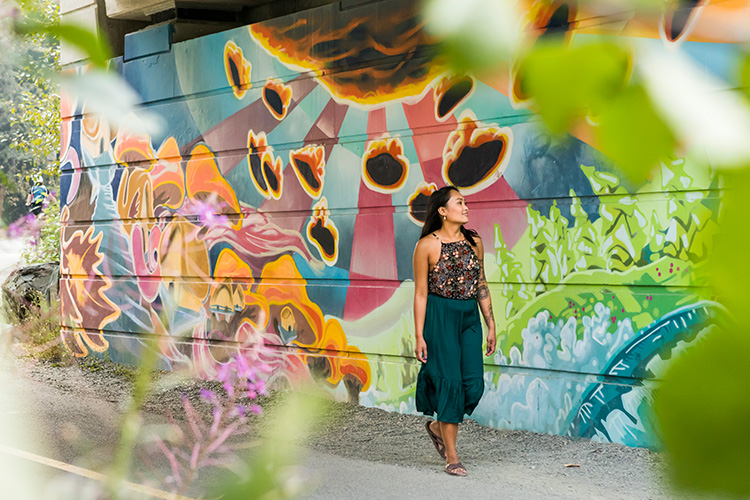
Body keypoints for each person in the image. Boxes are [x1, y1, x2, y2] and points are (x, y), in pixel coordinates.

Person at [412, 185, 497, 477]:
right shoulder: (426, 246)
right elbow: (421, 294)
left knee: (473, 385)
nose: (466, 207)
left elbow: (482, 283)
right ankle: (452, 456)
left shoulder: (475, 242)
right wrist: (419, 334)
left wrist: (491, 323)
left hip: (469, 317)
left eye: (465, 202)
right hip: (440, 317)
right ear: (443, 211)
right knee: (449, 383)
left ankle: (436, 427)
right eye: (459, 203)